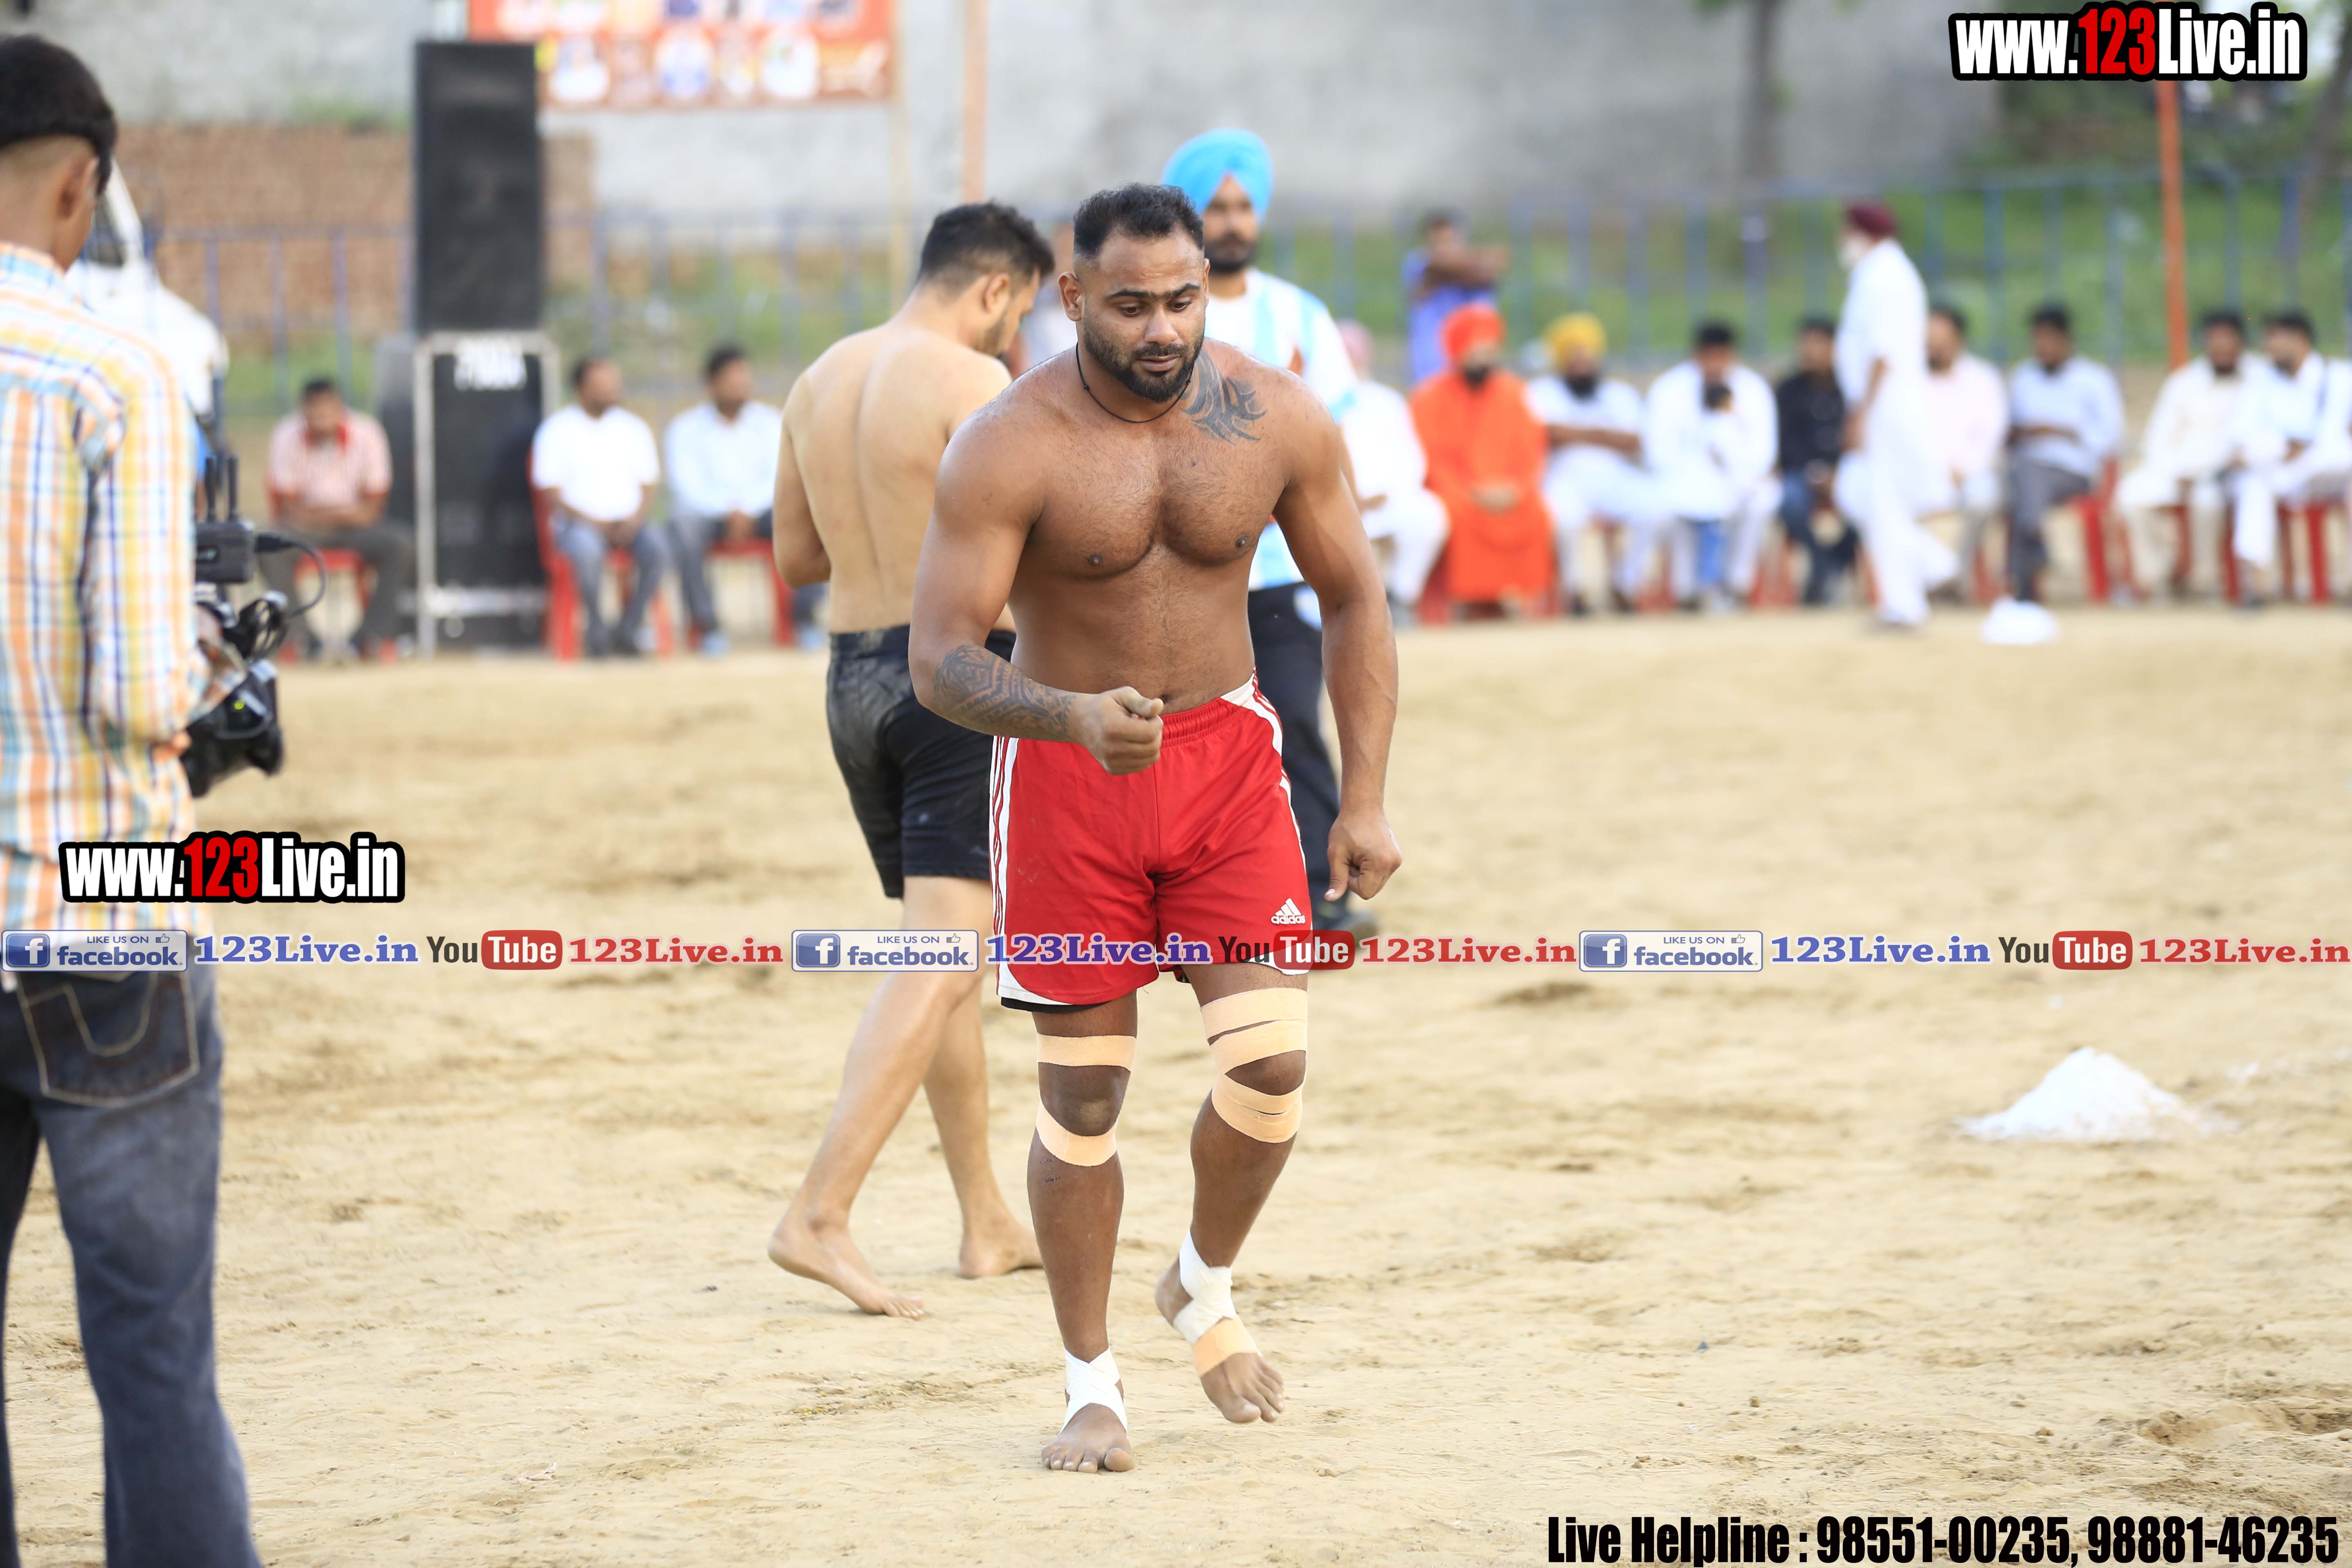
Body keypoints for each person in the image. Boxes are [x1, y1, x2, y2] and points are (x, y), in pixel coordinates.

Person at [907, 183, 1399, 1475]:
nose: (1164, 326)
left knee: (1273, 1068)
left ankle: (1199, 1280)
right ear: (1074, 298)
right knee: (1084, 1093)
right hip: (1068, 780)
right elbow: (940, 657)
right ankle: (1091, 1384)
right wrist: (1067, 715)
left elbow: (1354, 598)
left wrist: (1363, 795)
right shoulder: (1008, 444)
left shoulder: (1275, 416)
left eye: (1183, 299)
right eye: (1131, 305)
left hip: (1230, 764)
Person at [0, 36, 261, 1564]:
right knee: (151, 1351)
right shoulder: (115, 370)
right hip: (98, 919)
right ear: (81, 187)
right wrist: (212, 656)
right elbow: (141, 691)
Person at [765, 202, 1054, 1318]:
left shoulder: (817, 380)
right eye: (1017, 314)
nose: (1013, 336)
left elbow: (797, 556)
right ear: (994, 290)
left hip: (851, 679)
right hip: (953, 679)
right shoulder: (973, 383)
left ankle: (986, 1220)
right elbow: (1033, 544)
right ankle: (819, 1211)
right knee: (942, 955)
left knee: (942, 947)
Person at [1162, 128, 1366, 932]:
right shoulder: (1163, 315)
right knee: (1179, 738)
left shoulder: (1299, 316)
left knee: (1293, 720)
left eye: (1244, 206)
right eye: (1216, 206)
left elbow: (1335, 443)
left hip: (1280, 568)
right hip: (1177, 571)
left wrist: (1347, 554)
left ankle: (1322, 891)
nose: (1233, 221)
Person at [1831, 200, 1958, 629]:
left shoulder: (1885, 277)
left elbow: (1882, 352)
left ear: (1862, 234)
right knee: (1860, 496)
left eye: (1846, 232)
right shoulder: (1878, 273)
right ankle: (1934, 564)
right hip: (1882, 401)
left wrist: (1861, 412)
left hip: (1885, 404)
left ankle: (1905, 604)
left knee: (1881, 501)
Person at [1411, 303, 1553, 614]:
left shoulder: (1516, 393)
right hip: (1458, 492)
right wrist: (1473, 493)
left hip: (1511, 491)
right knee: (1456, 513)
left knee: (1537, 513)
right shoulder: (1429, 398)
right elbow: (1431, 459)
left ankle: (1524, 602)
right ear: (1456, 350)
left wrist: (1515, 489)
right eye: (1475, 349)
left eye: (1490, 349)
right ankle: (1465, 602)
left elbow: (1532, 451)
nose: (1484, 357)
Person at [664, 344, 807, 654]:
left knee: (805, 518)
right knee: (683, 527)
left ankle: (804, 620)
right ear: (711, 384)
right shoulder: (685, 429)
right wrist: (729, 510)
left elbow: (781, 476)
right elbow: (686, 487)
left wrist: (746, 509)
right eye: (731, 380)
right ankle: (707, 627)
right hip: (708, 516)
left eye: (744, 379)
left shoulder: (770, 422)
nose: (741, 386)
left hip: (761, 511)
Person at [1525, 313, 1670, 614]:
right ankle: (1576, 591)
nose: (1582, 364)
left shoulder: (1619, 394)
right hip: (1564, 477)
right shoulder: (1542, 392)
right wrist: (1604, 435)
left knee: (1656, 509)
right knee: (1563, 519)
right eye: (1574, 357)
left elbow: (1636, 441)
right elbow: (1548, 434)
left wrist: (1577, 433)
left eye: (1587, 356)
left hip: (1614, 475)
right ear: (1561, 360)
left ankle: (1626, 585)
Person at [260, 376, 410, 659]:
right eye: (314, 413)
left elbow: (375, 505)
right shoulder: (286, 434)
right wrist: (343, 515)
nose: (321, 421)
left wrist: (326, 516)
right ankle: (299, 638)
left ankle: (374, 635)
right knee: (268, 547)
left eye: (327, 412)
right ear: (303, 412)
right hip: (311, 529)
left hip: (356, 528)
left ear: (341, 408)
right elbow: (289, 508)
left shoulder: (367, 433)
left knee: (399, 544)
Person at [531, 356, 666, 657]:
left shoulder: (633, 428)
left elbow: (649, 485)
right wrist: (595, 523)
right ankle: (596, 629)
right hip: (579, 526)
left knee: (659, 547)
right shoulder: (557, 430)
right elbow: (551, 493)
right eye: (602, 386)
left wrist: (634, 520)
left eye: (614, 385)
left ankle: (629, 627)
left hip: (629, 523)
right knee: (587, 551)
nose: (611, 391)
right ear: (581, 389)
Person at [1644, 320, 1777, 612]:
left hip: (1739, 478)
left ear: (1732, 355)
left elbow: (1764, 453)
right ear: (1696, 355)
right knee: (1670, 508)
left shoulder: (1753, 390)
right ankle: (1686, 590)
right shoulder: (1669, 390)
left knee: (1761, 502)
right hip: (1683, 480)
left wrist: (1731, 468)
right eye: (1709, 357)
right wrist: (1699, 473)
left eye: (1722, 357)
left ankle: (1738, 584)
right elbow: (1658, 452)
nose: (1715, 365)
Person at [2223, 308, 2352, 608]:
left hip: (2332, 466)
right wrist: (2280, 447)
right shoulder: (2259, 381)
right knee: (2252, 484)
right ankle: (2257, 584)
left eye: (2275, 339)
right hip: (2279, 471)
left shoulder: (2341, 377)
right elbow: (2239, 438)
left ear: (2300, 339)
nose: (2269, 347)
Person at [2114, 308, 2246, 601]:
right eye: (2215, 341)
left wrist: (2207, 471)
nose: (2222, 348)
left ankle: (2205, 581)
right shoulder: (2183, 382)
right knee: (2131, 496)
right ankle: (2158, 577)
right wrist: (2179, 473)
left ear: (2241, 343)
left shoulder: (2256, 381)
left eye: (2229, 341)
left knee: (2207, 501)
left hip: (2225, 474)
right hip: (2177, 470)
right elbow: (2158, 439)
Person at [2003, 303, 2125, 606]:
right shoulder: (2023, 378)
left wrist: (2064, 432)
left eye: (2050, 339)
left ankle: (2024, 578)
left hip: (2075, 472)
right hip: (2026, 470)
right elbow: (2006, 434)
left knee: (2024, 479)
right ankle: (2034, 549)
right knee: (2020, 477)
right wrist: (2027, 432)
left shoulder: (2094, 380)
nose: (2044, 347)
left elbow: (2111, 437)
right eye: (2038, 339)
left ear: (2067, 340)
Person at [1336, 319, 1448, 613]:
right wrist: (1352, 498)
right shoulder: (1314, 400)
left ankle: (1400, 597)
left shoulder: (1388, 402)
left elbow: (1412, 459)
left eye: (1352, 354)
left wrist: (1385, 494)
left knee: (1429, 513)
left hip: (1387, 501)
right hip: (1335, 504)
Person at [1922, 303, 2008, 598]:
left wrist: (1963, 469)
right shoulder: (1907, 381)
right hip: (1921, 475)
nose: (1933, 347)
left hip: (1970, 474)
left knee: (1983, 498)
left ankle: (1954, 574)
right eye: (1928, 340)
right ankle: (1935, 574)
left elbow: (1992, 436)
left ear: (1959, 340)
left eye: (1940, 340)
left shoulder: (1983, 379)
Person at [1775, 316, 1858, 605]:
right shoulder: (1787, 390)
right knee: (1790, 502)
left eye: (1818, 344)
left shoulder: (1852, 388)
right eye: (1805, 345)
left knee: (1866, 504)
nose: (1809, 352)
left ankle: (1832, 563)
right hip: (1801, 474)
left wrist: (1838, 473)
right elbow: (1784, 441)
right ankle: (1825, 563)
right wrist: (1816, 473)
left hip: (1847, 473)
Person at [1402, 210, 1507, 385]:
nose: (1444, 249)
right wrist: (1477, 263)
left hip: (1475, 358)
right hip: (1433, 364)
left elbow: (1494, 268)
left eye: (1449, 241)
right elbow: (1440, 268)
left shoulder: (1477, 266)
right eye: (1438, 243)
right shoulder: (1419, 264)